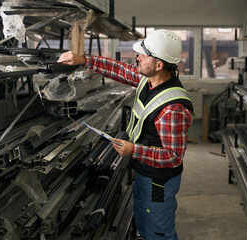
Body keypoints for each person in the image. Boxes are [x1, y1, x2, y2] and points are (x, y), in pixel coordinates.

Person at [58, 29, 194, 240]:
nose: (137, 57)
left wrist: (133, 150)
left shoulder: (172, 107)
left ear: (159, 65)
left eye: (144, 54)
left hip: (158, 181)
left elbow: (172, 157)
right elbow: (120, 70)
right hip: (143, 171)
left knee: (158, 233)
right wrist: (83, 59)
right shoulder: (147, 80)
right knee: (143, 221)